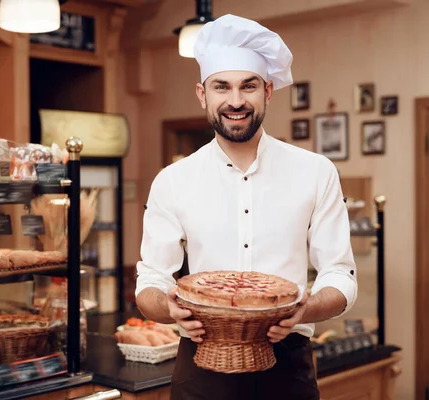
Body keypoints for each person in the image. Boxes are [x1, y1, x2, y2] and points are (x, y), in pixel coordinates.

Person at [134, 14, 357, 400]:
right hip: (201, 367)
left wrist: (306, 309)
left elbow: (340, 274)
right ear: (203, 94)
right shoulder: (173, 180)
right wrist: (169, 308)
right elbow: (151, 282)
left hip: (287, 368)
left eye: (248, 86)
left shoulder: (316, 172)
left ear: (268, 91)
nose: (235, 101)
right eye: (222, 87)